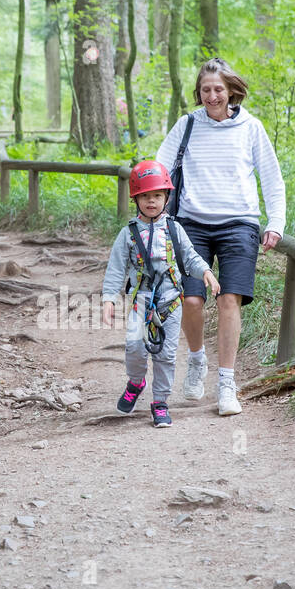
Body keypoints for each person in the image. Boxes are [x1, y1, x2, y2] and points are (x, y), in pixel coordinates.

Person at [155, 57, 285, 417]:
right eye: (205, 90)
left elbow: (272, 178)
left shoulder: (251, 128)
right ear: (199, 93)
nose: (212, 96)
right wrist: (151, 214)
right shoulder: (187, 125)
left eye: (218, 90)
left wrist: (276, 222)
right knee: (191, 302)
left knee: (230, 301)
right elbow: (159, 170)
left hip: (239, 224)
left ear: (231, 92)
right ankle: (197, 359)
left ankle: (226, 383)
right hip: (191, 225)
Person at [101, 160, 219, 428]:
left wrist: (206, 272)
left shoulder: (175, 230)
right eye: (144, 196)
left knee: (165, 355)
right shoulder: (128, 234)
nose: (151, 201)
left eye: (156, 195)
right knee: (134, 348)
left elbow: (190, 257)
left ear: (166, 197)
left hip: (170, 303)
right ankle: (136, 381)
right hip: (141, 302)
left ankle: (160, 401)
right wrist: (108, 298)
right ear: (136, 199)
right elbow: (116, 268)